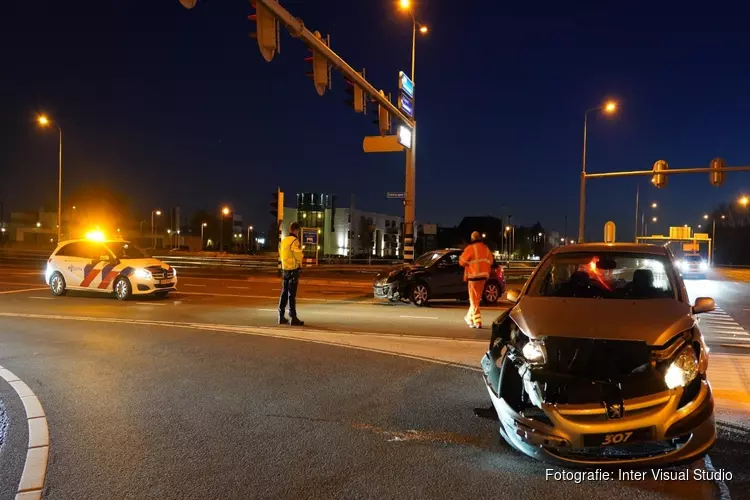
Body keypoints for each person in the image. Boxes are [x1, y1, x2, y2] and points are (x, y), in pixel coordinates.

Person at [459, 231, 494, 329]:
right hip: (483, 277)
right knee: (476, 299)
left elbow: (462, 262)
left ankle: (477, 321)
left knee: (474, 301)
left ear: (472, 239)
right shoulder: (486, 249)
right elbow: (491, 261)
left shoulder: (470, 249)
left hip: (473, 277)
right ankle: (469, 318)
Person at [278, 222, 305, 326]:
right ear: (296, 230)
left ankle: (280, 317)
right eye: (298, 231)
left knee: (284, 293)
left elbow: (281, 253)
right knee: (291, 295)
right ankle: (293, 318)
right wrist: (301, 256)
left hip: (285, 270)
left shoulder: (284, 241)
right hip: (293, 270)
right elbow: (297, 254)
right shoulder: (294, 240)